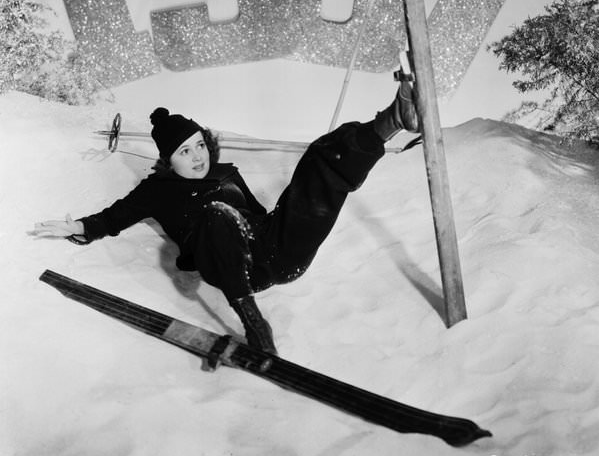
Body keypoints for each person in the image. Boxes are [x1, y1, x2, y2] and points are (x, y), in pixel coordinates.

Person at [33, 79, 419, 355]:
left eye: (199, 145)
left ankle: (394, 119)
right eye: (184, 152)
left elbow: (259, 215)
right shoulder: (156, 192)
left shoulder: (226, 172)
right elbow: (112, 218)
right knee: (217, 214)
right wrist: (79, 228)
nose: (198, 156)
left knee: (319, 158)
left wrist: (289, 218)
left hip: (278, 254)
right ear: (168, 160)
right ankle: (253, 322)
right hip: (236, 269)